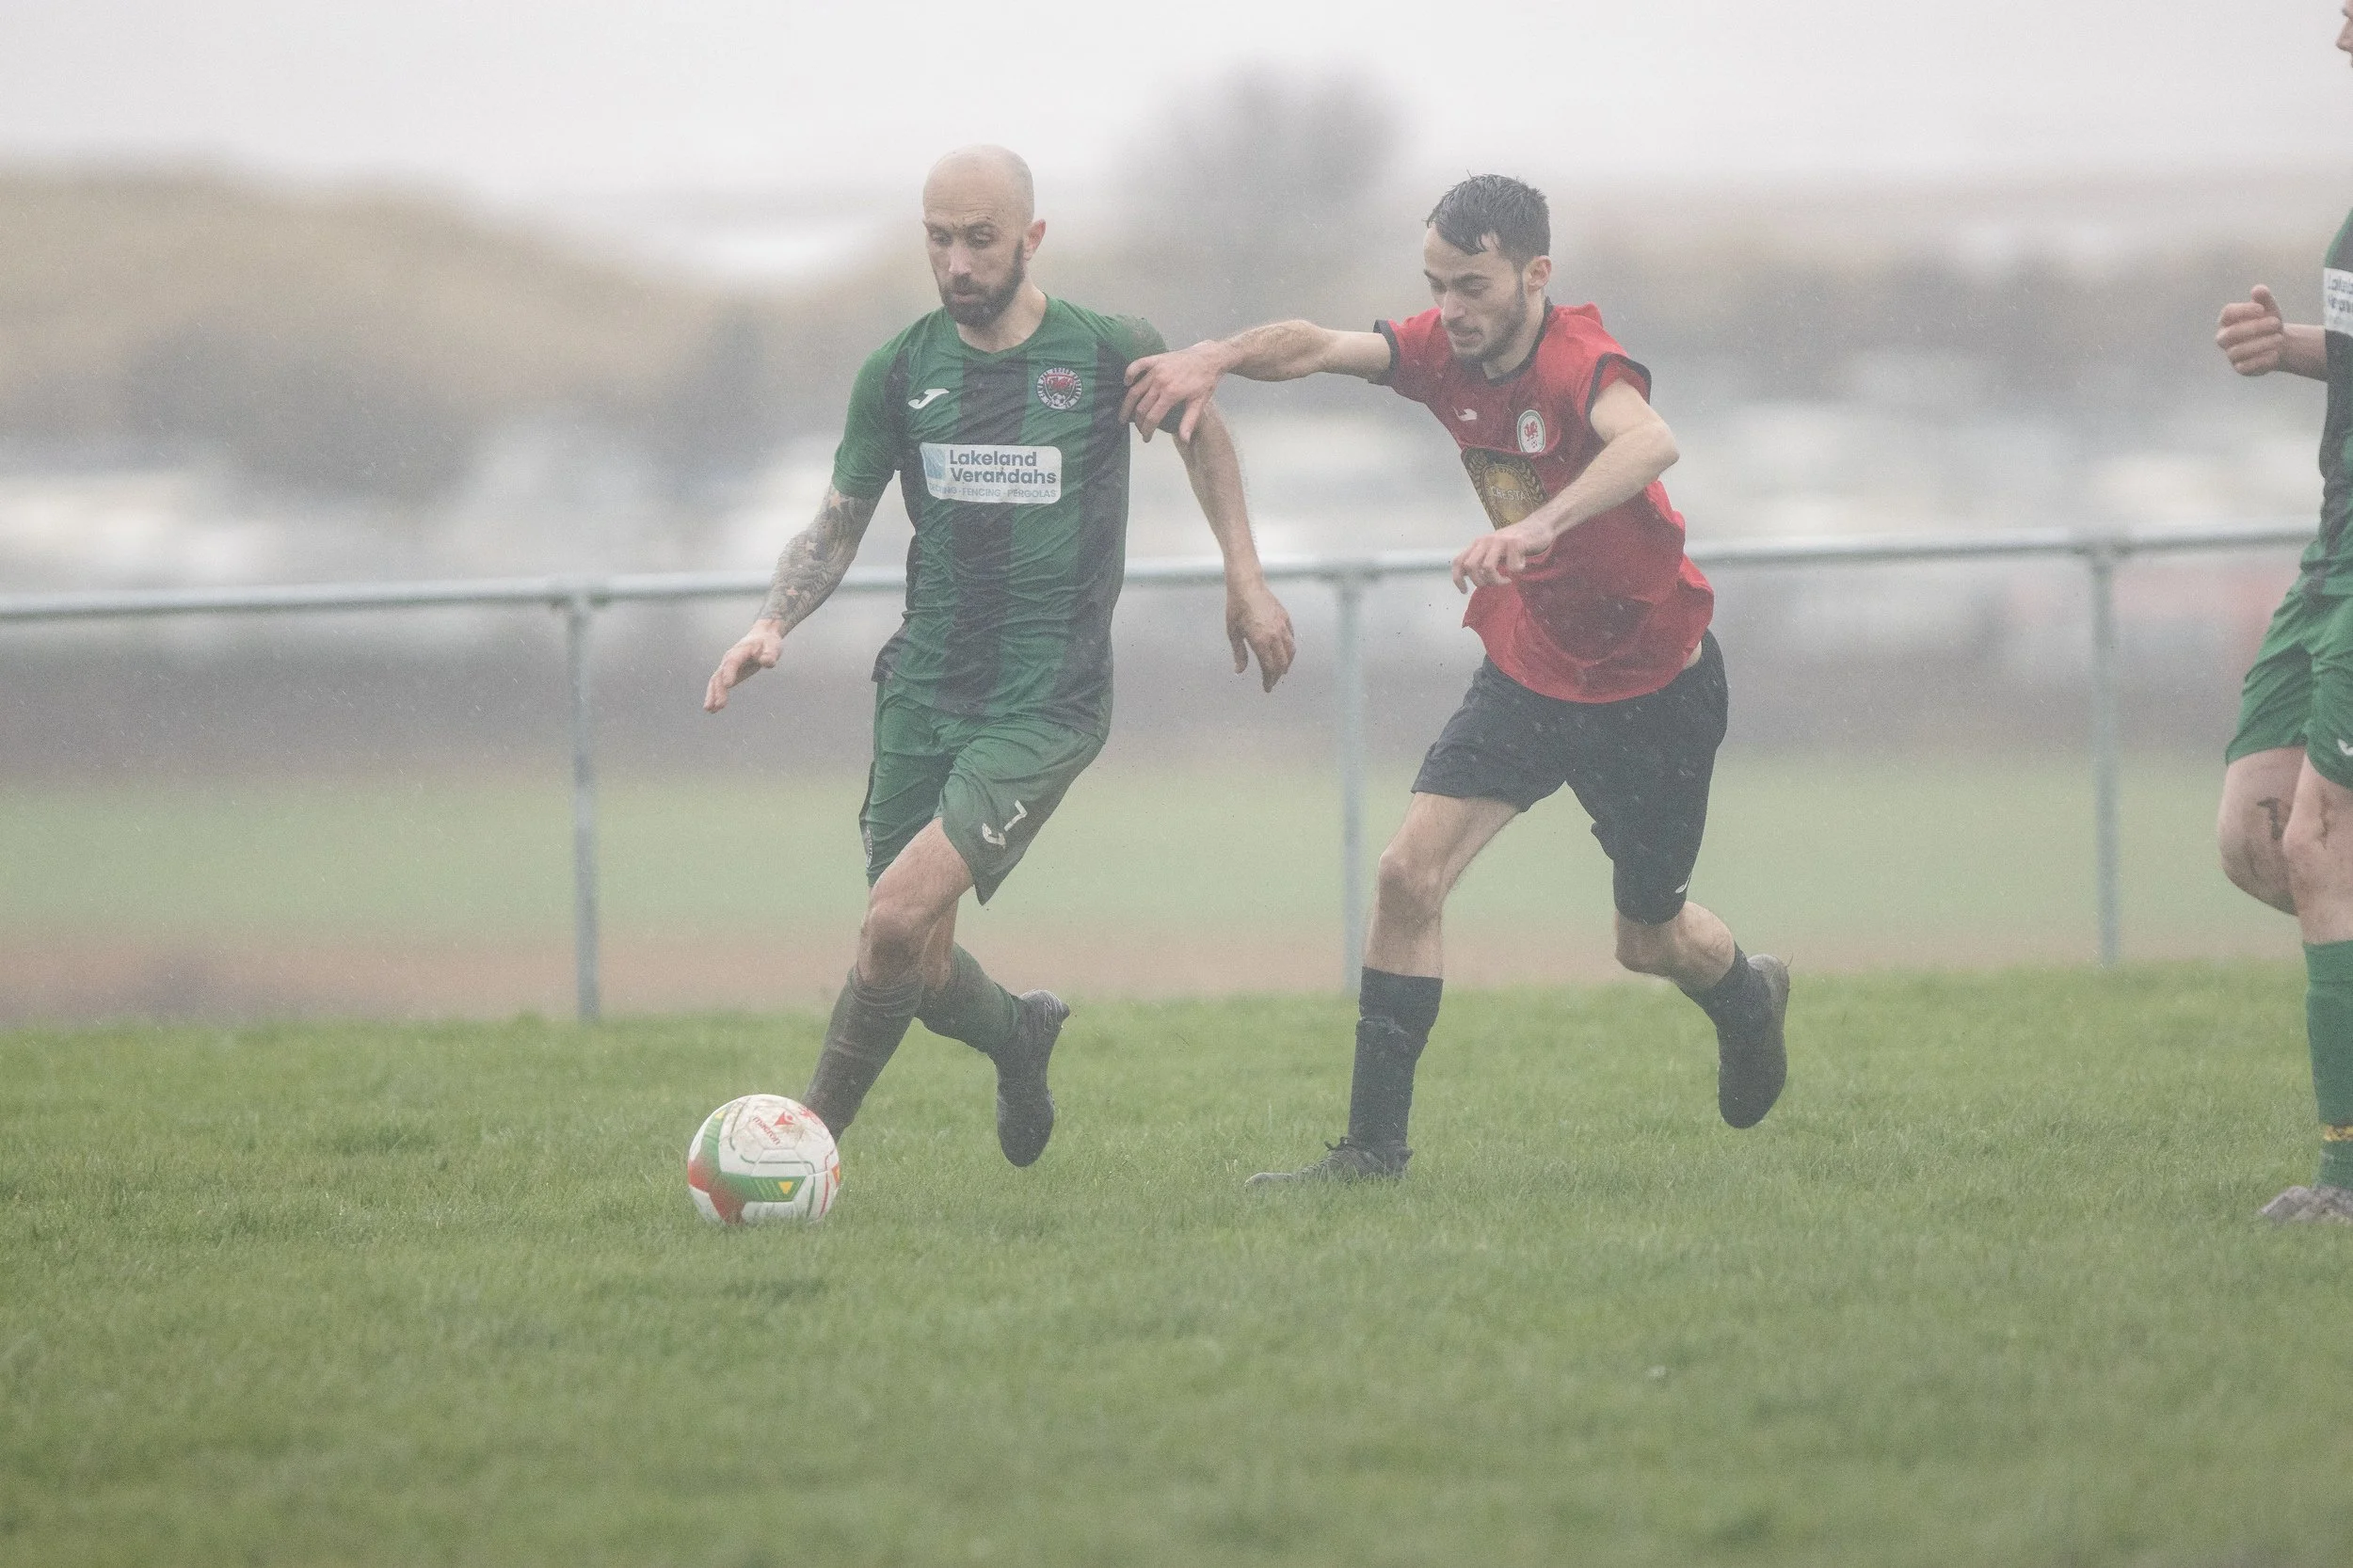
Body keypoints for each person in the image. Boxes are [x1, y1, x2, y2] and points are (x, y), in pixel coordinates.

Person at [1124, 174, 1787, 1184]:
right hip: (1529, 670)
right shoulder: (1440, 350)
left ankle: (1746, 997)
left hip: (1654, 688)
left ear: (1535, 275)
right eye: (1437, 284)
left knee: (1648, 941)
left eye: (1472, 285)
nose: (1452, 309)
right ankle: (1369, 1157)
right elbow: (1316, 343)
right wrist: (1213, 355)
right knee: (1405, 876)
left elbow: (1652, 441)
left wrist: (1539, 521)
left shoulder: (1576, 360)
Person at [705, 146, 1295, 1166]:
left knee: (889, 919)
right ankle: (1020, 1035)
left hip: (1044, 704)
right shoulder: (898, 370)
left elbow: (1204, 438)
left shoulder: (1109, 351)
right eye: (939, 239)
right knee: (913, 956)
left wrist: (1244, 574)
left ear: (1030, 239)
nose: (958, 262)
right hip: (922, 689)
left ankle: (797, 1148)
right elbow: (837, 521)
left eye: (980, 239)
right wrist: (773, 622)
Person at [2210, 0, 2353, 1226]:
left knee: (2323, 846)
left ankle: (2344, 1183)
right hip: (2332, 552)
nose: (2342, 28)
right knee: (2257, 833)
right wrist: (2293, 344)